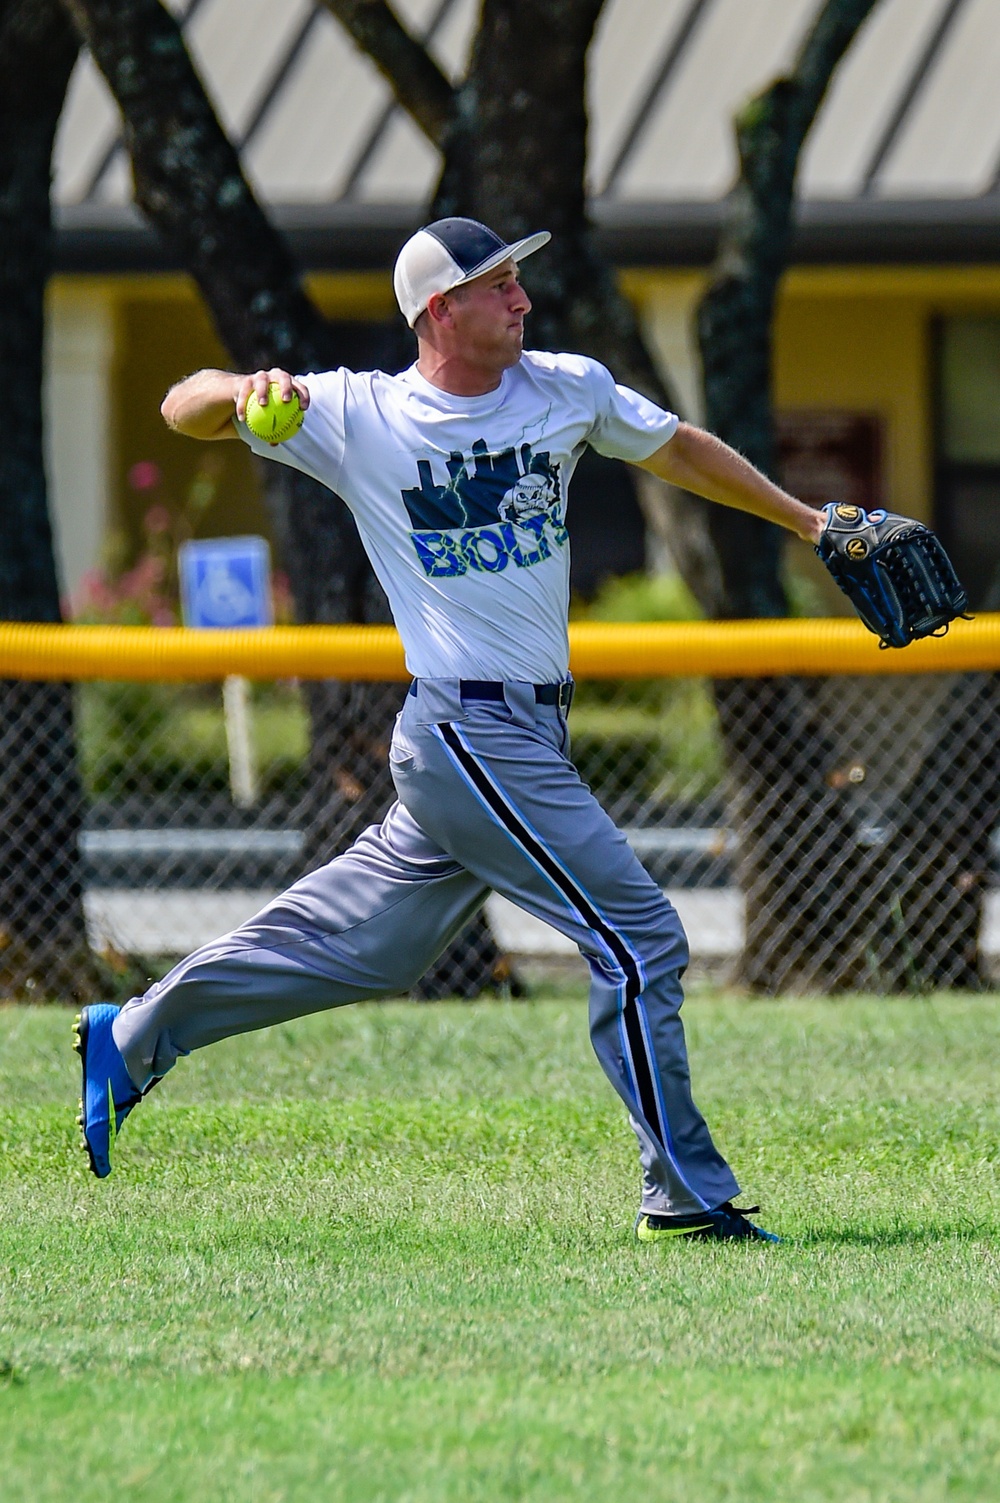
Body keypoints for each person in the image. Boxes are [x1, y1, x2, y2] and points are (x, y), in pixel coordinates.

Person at [75, 217, 825, 1241]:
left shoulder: (565, 388)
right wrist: (243, 390)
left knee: (372, 952)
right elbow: (179, 405)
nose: (521, 299)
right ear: (440, 309)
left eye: (519, 282)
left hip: (515, 738)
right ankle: (685, 1194)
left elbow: (677, 450)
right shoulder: (361, 416)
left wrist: (812, 524)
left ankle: (132, 1035)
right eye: (498, 285)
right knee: (640, 936)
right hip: (465, 731)